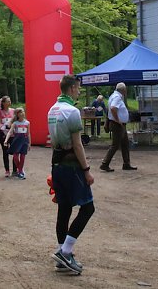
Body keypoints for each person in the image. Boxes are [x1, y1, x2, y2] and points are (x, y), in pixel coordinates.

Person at [48, 74, 95, 274]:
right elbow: (77, 144)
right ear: (71, 89)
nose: (79, 91)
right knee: (88, 208)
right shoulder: (72, 111)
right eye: (78, 88)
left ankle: (62, 253)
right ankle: (65, 252)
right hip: (71, 166)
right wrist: (86, 170)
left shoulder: (52, 109)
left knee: (64, 210)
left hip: (57, 165)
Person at [99, 82, 136, 172]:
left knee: (125, 144)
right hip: (117, 124)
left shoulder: (114, 96)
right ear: (123, 90)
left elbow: (109, 109)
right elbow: (113, 108)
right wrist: (117, 120)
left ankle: (126, 164)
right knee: (115, 145)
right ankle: (105, 164)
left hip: (119, 124)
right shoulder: (117, 97)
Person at [0, 96, 17, 178]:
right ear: (3, 103)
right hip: (3, 134)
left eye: (10, 101)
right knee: (5, 152)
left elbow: (17, 119)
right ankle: (7, 170)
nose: (9, 103)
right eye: (7, 101)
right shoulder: (0, 111)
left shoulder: (13, 111)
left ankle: (15, 170)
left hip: (12, 133)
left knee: (15, 152)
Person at [5, 108, 31, 179]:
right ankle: (20, 170)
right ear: (17, 114)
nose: (22, 113)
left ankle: (20, 171)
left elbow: (28, 133)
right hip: (16, 141)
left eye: (23, 112)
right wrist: (6, 140)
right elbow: (10, 132)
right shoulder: (15, 123)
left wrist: (29, 143)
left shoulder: (27, 123)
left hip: (24, 141)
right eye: (20, 112)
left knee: (22, 156)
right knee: (15, 156)